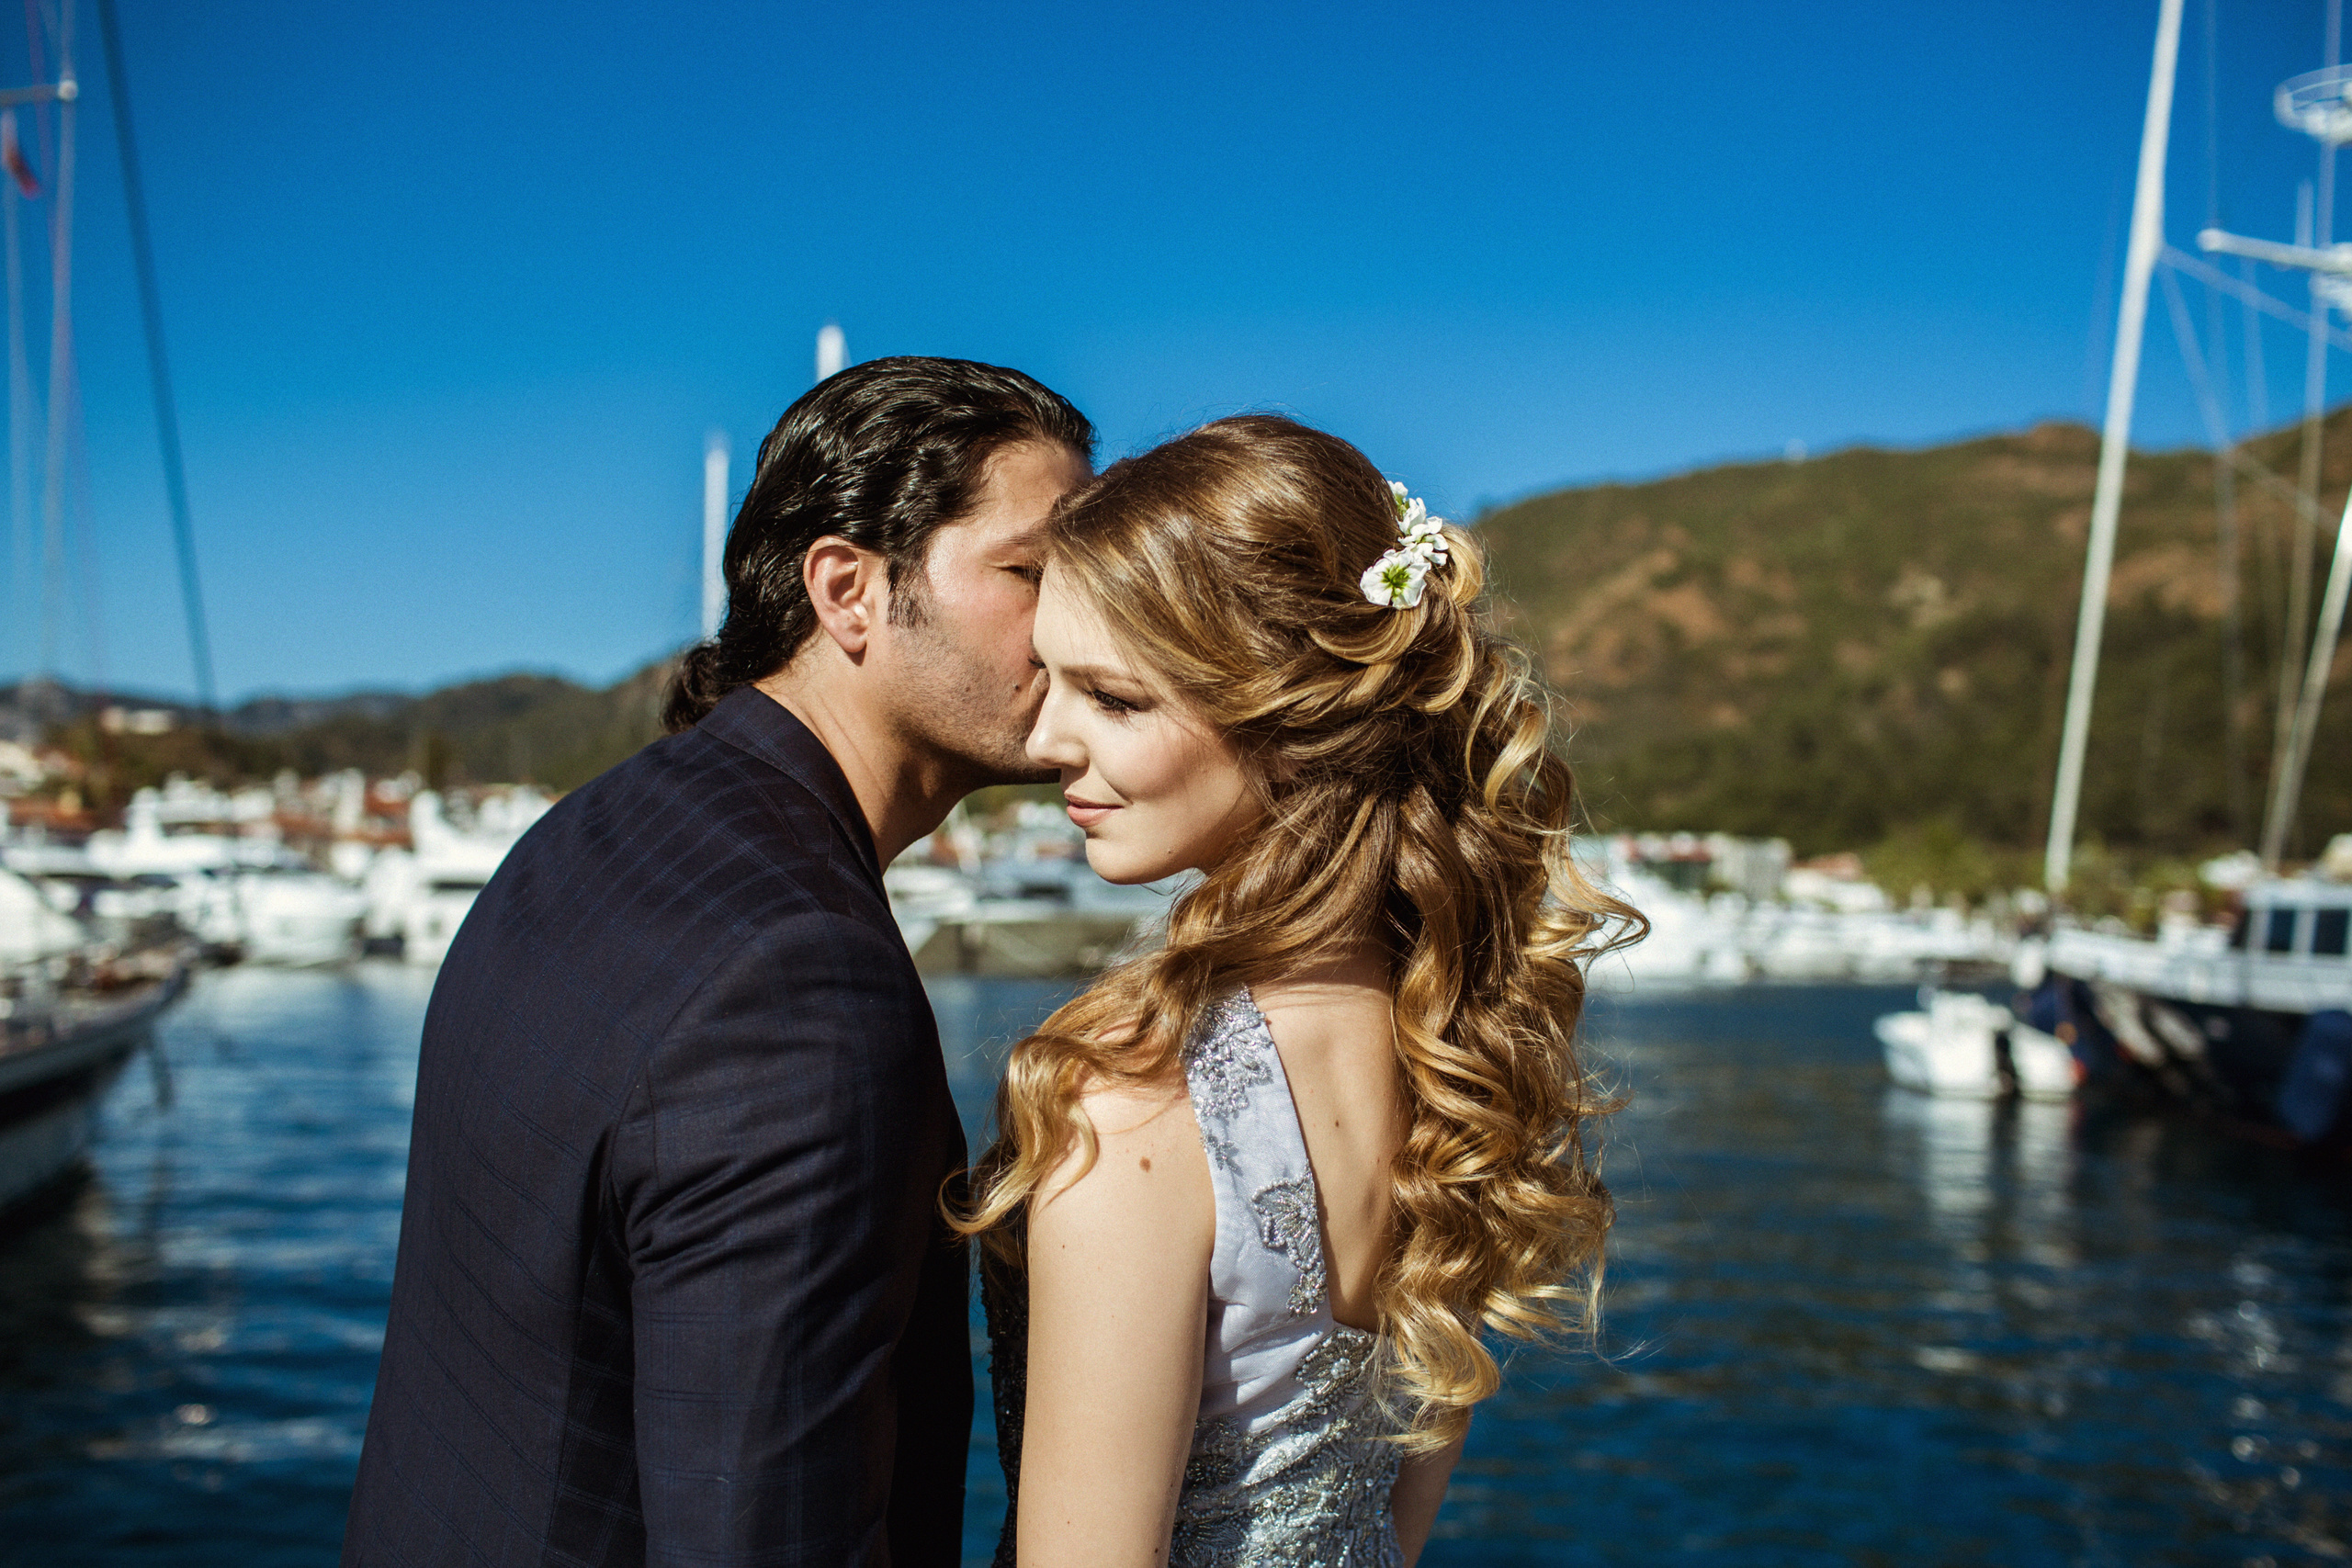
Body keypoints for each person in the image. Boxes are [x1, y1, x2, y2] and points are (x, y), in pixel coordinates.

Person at [343, 357, 1092, 1567]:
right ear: (849, 590)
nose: (1079, 618)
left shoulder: (591, 833)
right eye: (1032, 571)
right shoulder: (800, 982)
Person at [959, 414, 1631, 1567]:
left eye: (1113, 699)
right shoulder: (1454, 1052)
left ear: (1290, 724)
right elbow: (1390, 1524)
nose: (1047, 738)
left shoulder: (1132, 1110)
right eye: (1049, 682)